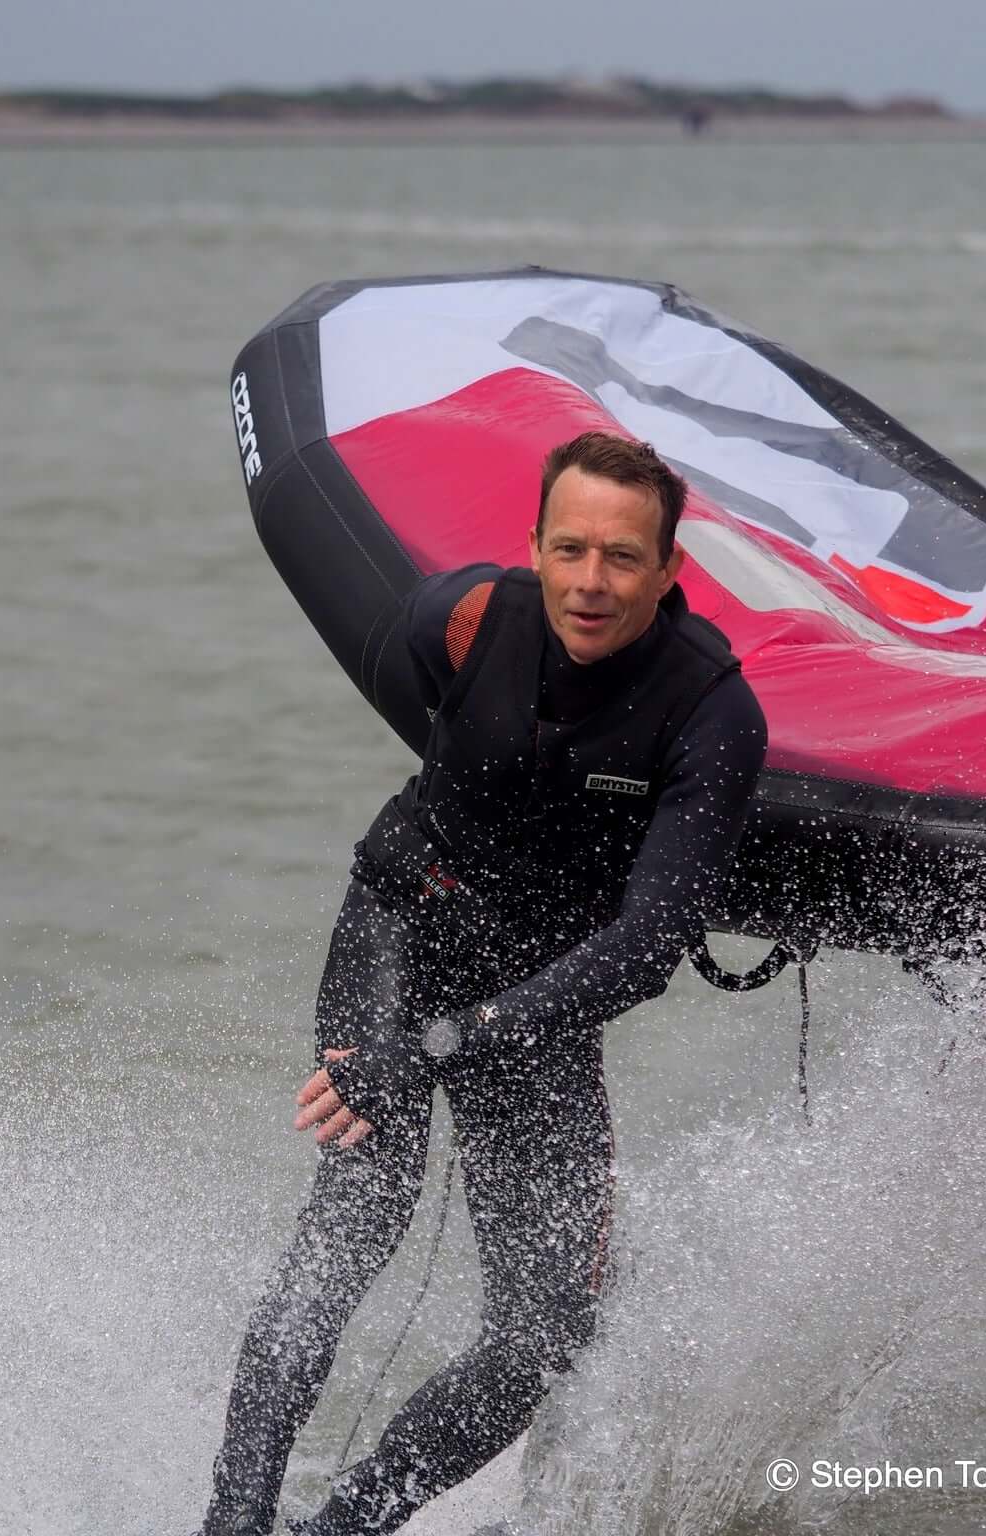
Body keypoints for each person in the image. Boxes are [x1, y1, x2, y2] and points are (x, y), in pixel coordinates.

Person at [194, 432, 768, 1535]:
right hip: (402, 932)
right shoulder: (453, 620)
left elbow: (648, 944)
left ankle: (342, 1528)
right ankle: (228, 1522)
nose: (589, 582)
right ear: (534, 547)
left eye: (618, 557)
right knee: (356, 1220)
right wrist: (398, 1047)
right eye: (568, 549)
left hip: (542, 994)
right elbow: (429, 737)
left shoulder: (708, 713)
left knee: (541, 1334)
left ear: (666, 568)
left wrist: (442, 1048)